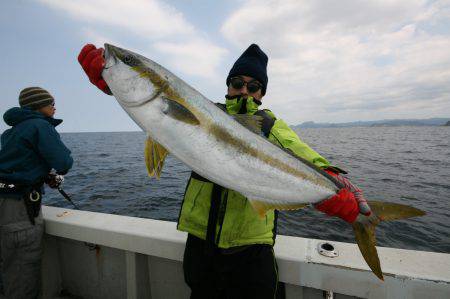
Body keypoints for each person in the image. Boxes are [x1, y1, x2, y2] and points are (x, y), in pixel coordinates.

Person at [78, 43, 368, 299]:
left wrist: (335, 184)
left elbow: (303, 154)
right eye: (237, 82)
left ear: (262, 93)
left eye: (253, 86)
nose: (244, 89)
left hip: (251, 250)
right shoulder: (204, 108)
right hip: (201, 246)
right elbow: (156, 117)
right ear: (228, 85)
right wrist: (112, 80)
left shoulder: (268, 126)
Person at [0, 87, 73, 299]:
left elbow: (18, 164)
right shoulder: (40, 126)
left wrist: (41, 174)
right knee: (22, 274)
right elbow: (63, 162)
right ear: (38, 106)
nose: (54, 107)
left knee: (6, 270)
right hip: (17, 210)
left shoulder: (10, 132)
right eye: (50, 103)